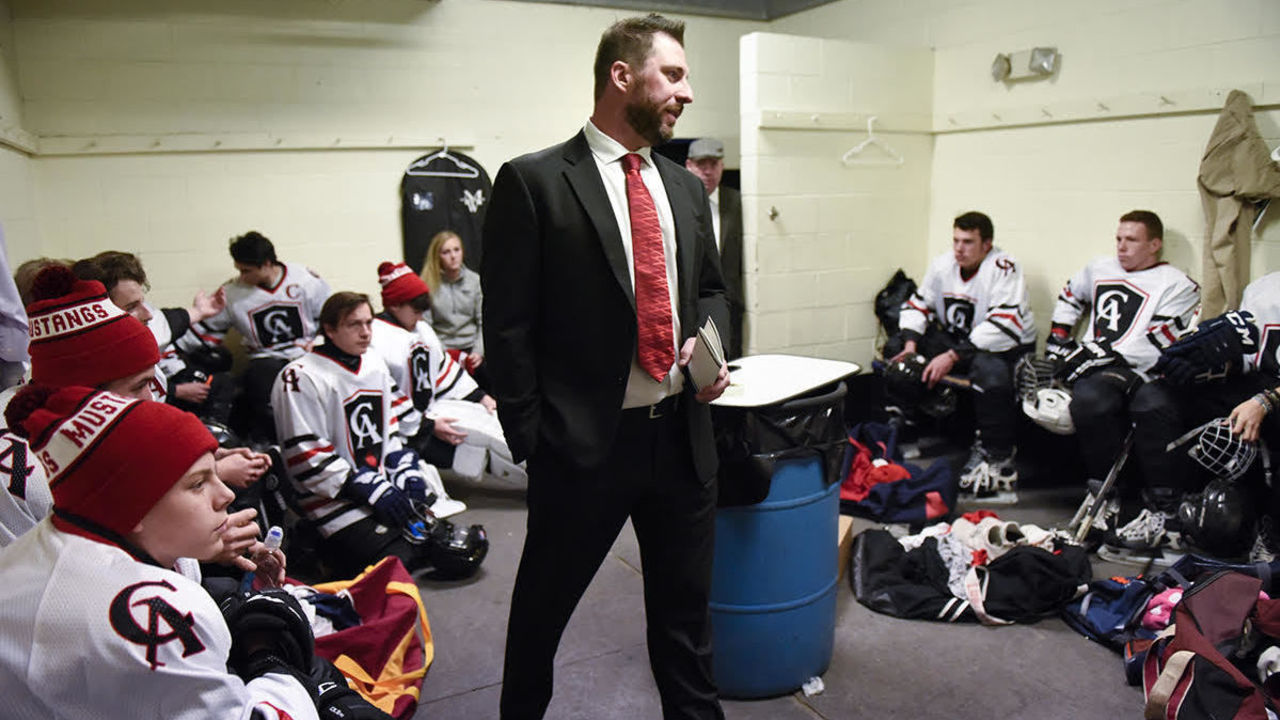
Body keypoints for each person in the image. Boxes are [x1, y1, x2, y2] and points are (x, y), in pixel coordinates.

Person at [482, 13, 731, 720]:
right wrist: (534, 439)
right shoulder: (534, 182)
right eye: (674, 76)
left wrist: (709, 347)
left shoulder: (685, 187)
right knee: (539, 621)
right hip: (584, 446)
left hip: (683, 439)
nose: (687, 93)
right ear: (623, 76)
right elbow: (506, 326)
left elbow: (712, 287)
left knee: (687, 629)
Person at [0, 384, 318, 720]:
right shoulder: (158, 606)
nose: (225, 494)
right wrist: (271, 659)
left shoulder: (33, 548)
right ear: (130, 506)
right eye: (198, 483)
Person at [0, 265, 266, 561]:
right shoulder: (23, 472)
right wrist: (205, 547)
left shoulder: (123, 391)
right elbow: (71, 574)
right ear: (81, 394)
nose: (151, 397)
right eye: (140, 385)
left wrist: (208, 464)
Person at [271, 291, 477, 580]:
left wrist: (406, 472)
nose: (366, 332)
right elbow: (306, 453)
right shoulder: (300, 377)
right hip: (330, 496)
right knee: (397, 561)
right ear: (329, 330)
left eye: (369, 322)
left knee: (441, 543)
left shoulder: (373, 364)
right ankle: (314, 543)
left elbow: (389, 434)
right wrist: (368, 487)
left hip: (376, 482)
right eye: (354, 324)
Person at [1046, 210, 1200, 547]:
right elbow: (1071, 295)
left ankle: (1145, 504)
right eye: (1118, 239)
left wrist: (1098, 356)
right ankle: (1104, 496)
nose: (1121, 247)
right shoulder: (1099, 268)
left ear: (1155, 244)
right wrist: (1059, 341)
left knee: (1093, 399)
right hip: (1095, 365)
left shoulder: (1177, 283)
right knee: (1078, 397)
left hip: (1135, 370)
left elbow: (1158, 345)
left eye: (1131, 240)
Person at [1111, 271, 1280, 561]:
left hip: (1273, 396)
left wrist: (1266, 401)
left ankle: (1273, 537)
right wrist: (1211, 366)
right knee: (1156, 399)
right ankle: (1169, 517)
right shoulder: (1263, 288)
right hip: (1262, 385)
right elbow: (1252, 358)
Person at [886, 211, 1036, 503]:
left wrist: (951, 356)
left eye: (968, 242)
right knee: (896, 350)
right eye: (956, 240)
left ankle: (998, 458)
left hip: (1002, 347)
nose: (959, 248)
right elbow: (918, 305)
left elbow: (1001, 326)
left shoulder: (1004, 267)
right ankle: (915, 422)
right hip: (959, 342)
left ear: (987, 244)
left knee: (990, 372)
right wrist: (911, 346)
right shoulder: (943, 265)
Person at [368, 261, 524, 489]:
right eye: (416, 310)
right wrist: (427, 426)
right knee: (477, 452)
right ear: (394, 305)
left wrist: (480, 396)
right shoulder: (376, 337)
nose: (421, 317)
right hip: (400, 431)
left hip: (431, 413)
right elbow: (383, 397)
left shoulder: (421, 329)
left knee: (498, 428)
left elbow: (442, 368)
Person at [188, 231, 332, 442]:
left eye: (246, 271)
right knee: (262, 385)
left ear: (266, 264)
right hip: (266, 360)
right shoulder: (232, 293)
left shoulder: (306, 280)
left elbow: (331, 320)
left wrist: (319, 343)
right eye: (239, 270)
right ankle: (274, 445)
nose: (241, 277)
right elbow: (205, 333)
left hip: (307, 355)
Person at [72, 250, 233, 424]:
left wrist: (200, 311)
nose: (148, 314)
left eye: (143, 302)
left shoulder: (139, 330)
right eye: (132, 306)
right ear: (98, 315)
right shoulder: (92, 374)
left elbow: (167, 322)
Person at [685, 138, 744, 359]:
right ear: (689, 166)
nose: (708, 172)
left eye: (714, 164)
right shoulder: (678, 203)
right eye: (702, 164)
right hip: (692, 302)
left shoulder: (737, 202)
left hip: (731, 304)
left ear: (722, 166)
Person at [420, 229, 490, 389]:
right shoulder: (428, 284)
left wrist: (478, 352)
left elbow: (483, 321)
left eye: (456, 250)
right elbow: (425, 327)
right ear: (437, 256)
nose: (453, 256)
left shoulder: (474, 281)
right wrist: (444, 354)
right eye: (446, 252)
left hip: (472, 348)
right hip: (444, 349)